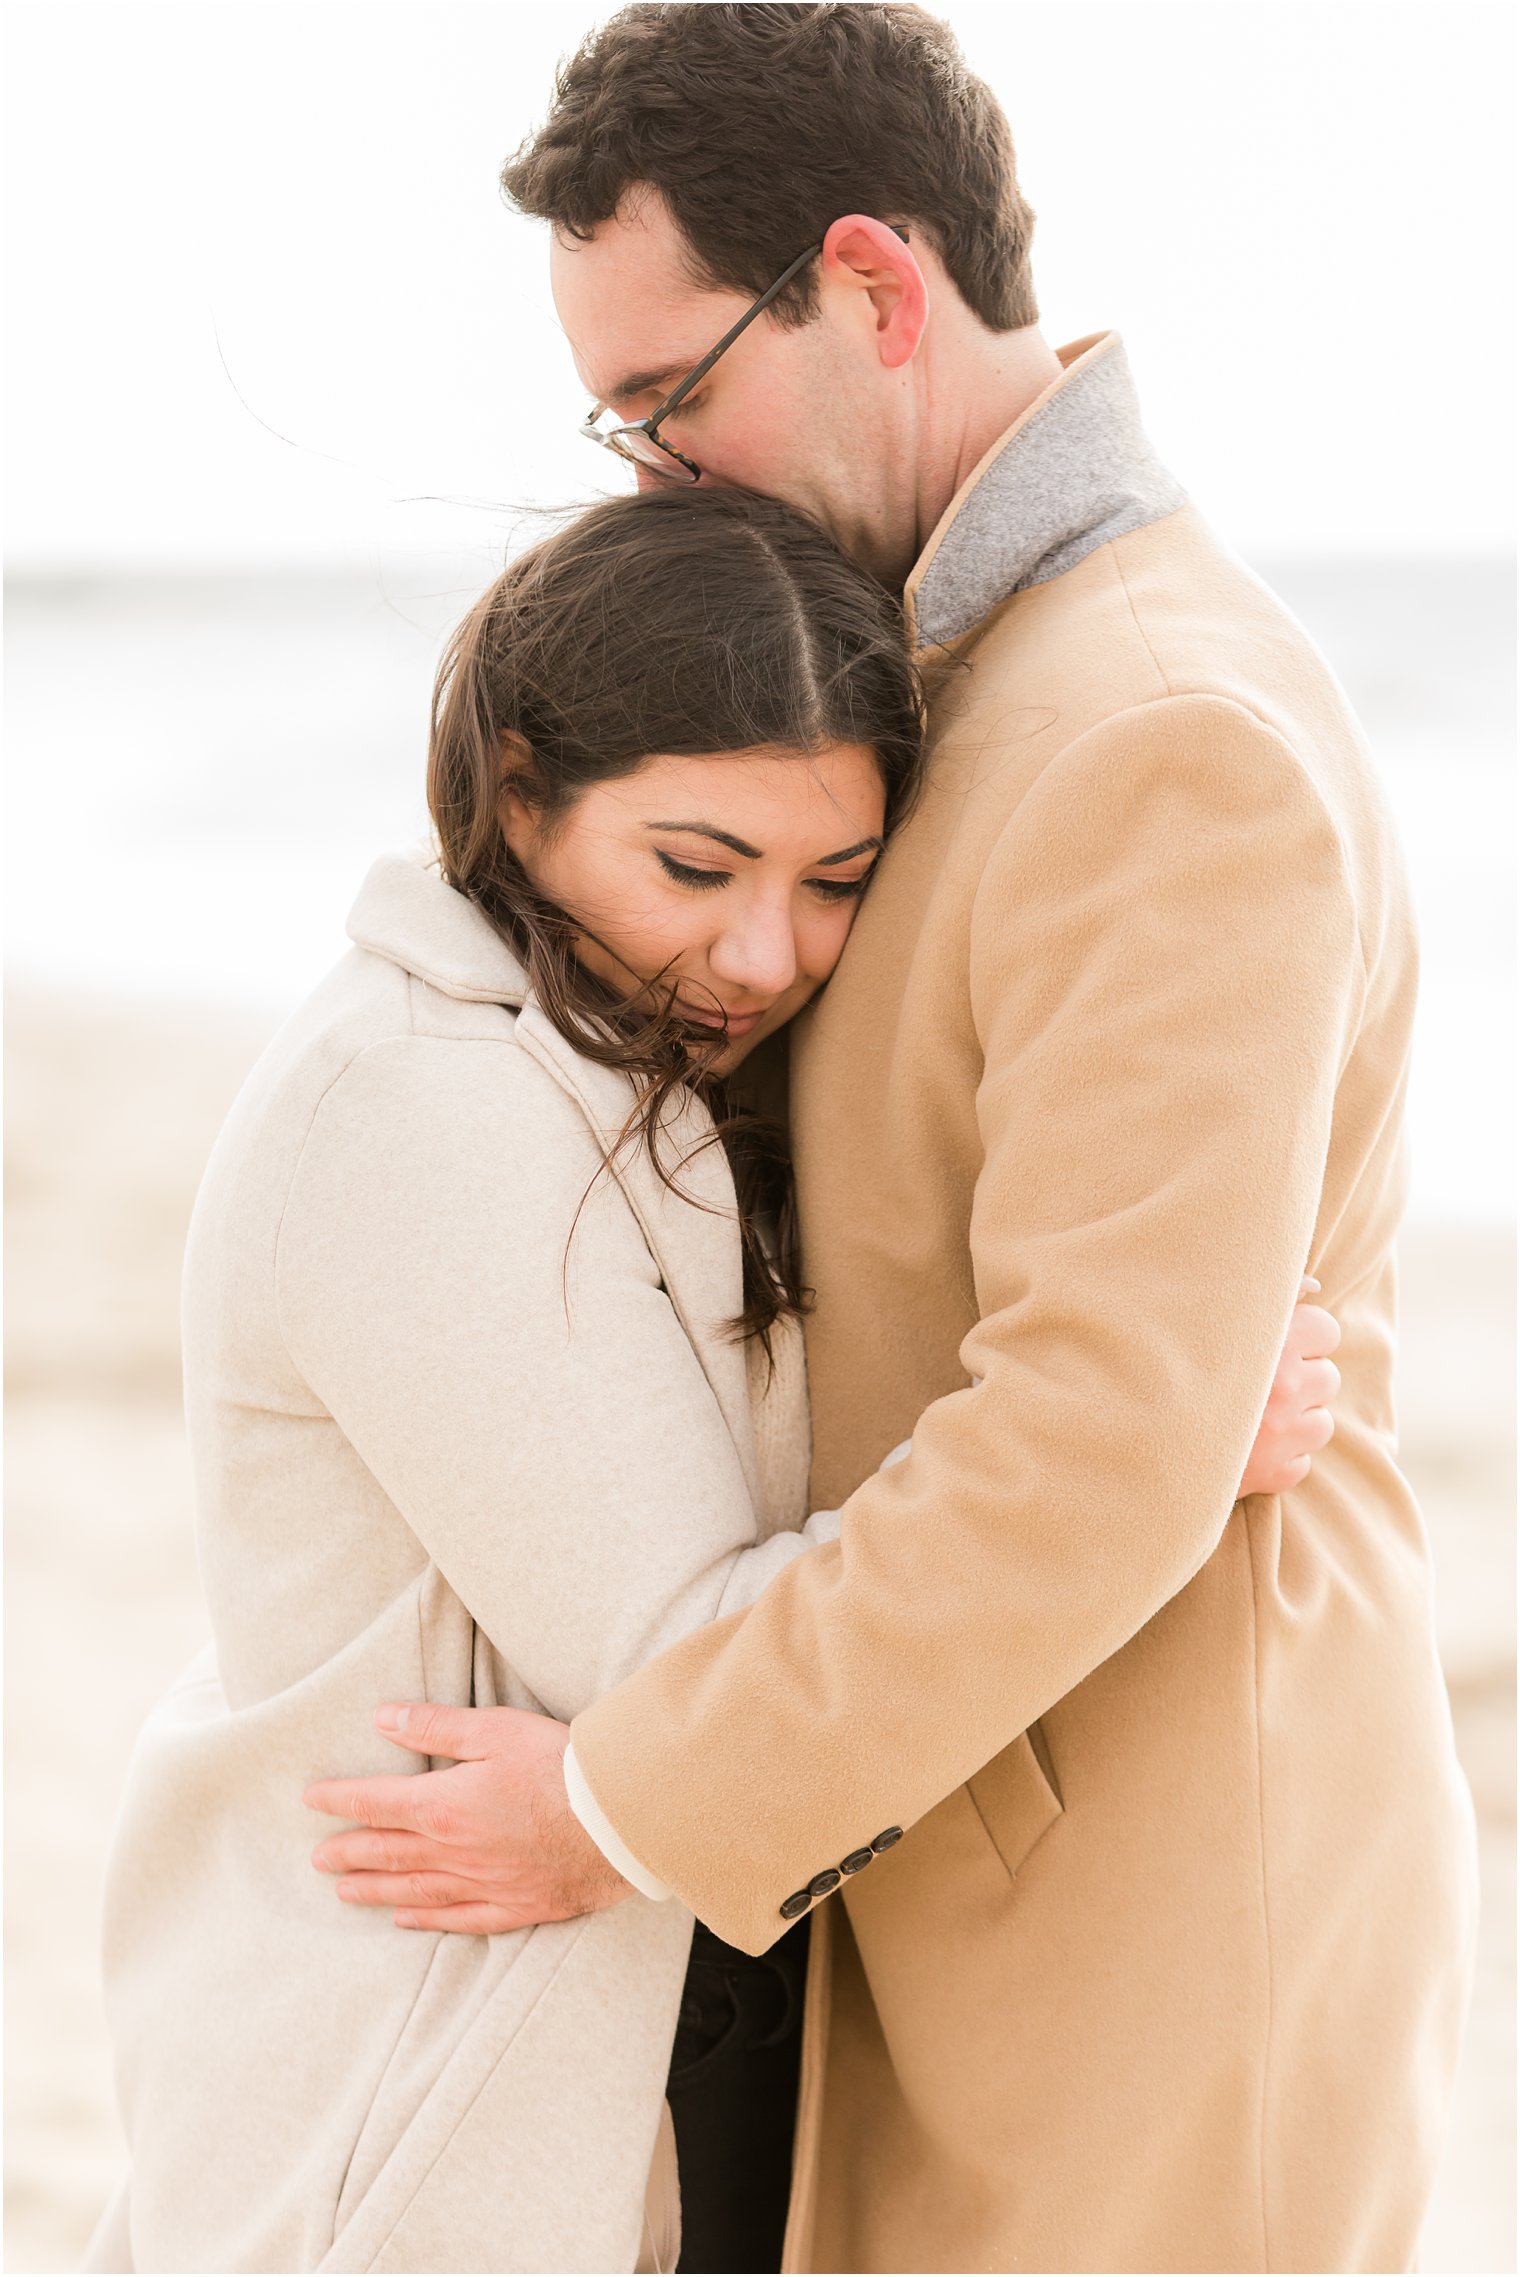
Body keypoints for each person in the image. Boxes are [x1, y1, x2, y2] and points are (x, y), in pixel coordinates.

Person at [308, 7, 1479, 2273]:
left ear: (870, 280)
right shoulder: (940, 672)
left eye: (672, 401)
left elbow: (1096, 1433)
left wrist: (622, 1803)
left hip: (1141, 1910)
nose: (654, 478)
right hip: (939, 1850)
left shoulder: (1157, 733)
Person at [84, 487, 1328, 2277]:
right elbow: (685, 1658)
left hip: (653, 2046)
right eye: (695, 864)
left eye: (837, 883)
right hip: (419, 2088)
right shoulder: (420, 1107)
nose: (764, 953)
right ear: (520, 795)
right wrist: (1145, 1432)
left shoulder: (635, 1063)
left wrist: (1151, 1371)